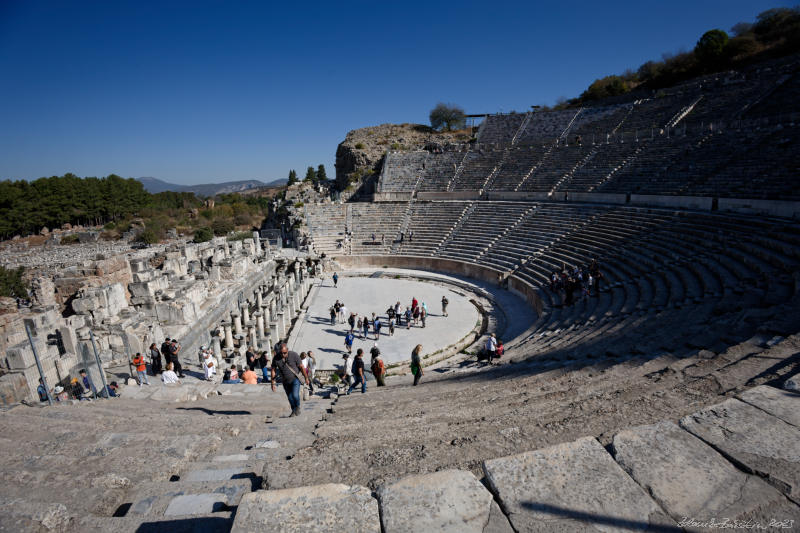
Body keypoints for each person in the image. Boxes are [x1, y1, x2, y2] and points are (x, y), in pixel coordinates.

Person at [271, 343, 307, 417]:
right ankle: (293, 410)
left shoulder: (294, 355)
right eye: (281, 353)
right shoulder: (276, 358)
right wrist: (272, 382)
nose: (283, 354)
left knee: (295, 395)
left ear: (287, 350)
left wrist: (306, 378)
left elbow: (301, 367)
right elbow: (273, 370)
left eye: (284, 353)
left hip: (295, 379)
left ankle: (297, 407)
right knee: (290, 398)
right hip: (285, 381)